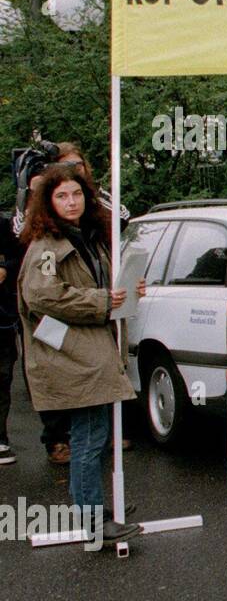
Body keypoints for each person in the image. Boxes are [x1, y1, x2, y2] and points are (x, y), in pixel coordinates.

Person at [17, 164, 146, 543]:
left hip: (90, 348)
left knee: (93, 435)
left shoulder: (87, 238)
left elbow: (98, 286)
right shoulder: (46, 245)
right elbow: (40, 295)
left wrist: (125, 289)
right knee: (89, 438)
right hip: (75, 354)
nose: (71, 202)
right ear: (48, 202)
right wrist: (103, 300)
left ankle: (93, 508)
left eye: (76, 194)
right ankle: (93, 521)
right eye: (61, 196)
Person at [0, 215, 21, 466]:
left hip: (2, 317)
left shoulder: (5, 226)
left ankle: (1, 438)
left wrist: (6, 269)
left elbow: (22, 257)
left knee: (2, 376)